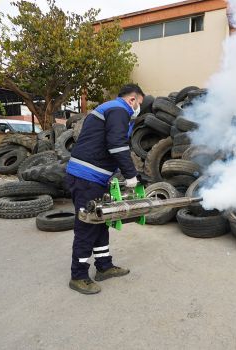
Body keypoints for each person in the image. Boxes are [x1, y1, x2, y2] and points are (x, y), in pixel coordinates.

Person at [65, 84, 144, 294]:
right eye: (140, 104)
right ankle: (79, 275)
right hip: (86, 177)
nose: (138, 110)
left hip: (94, 177)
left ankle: (104, 266)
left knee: (101, 221)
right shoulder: (119, 110)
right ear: (132, 100)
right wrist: (130, 175)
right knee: (87, 223)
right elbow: (117, 145)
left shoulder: (110, 109)